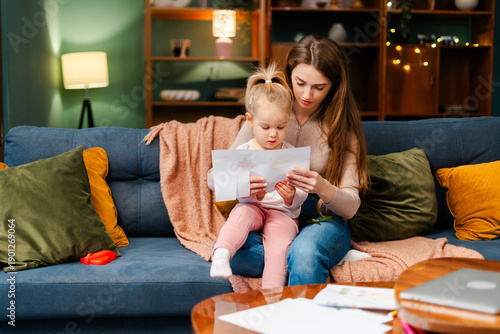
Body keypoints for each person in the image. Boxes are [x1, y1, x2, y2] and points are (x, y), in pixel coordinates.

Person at [225, 34, 370, 285]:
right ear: (289, 72)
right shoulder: (268, 111)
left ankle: (304, 271)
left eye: (319, 87)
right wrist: (241, 183)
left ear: (334, 85)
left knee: (303, 253)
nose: (307, 94)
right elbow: (215, 176)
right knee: (230, 251)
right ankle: (319, 257)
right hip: (273, 216)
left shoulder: (341, 127)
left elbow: (351, 206)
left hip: (320, 218)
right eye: (300, 82)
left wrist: (322, 186)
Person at [210, 63, 308, 289]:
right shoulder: (243, 152)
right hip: (251, 206)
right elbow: (225, 184)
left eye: (281, 127)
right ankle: (221, 255)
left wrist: (292, 195)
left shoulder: (291, 154)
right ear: (250, 121)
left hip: (283, 214)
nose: (274, 134)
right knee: (240, 216)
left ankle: (272, 293)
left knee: (279, 246)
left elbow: (302, 192)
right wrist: (244, 186)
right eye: (265, 127)